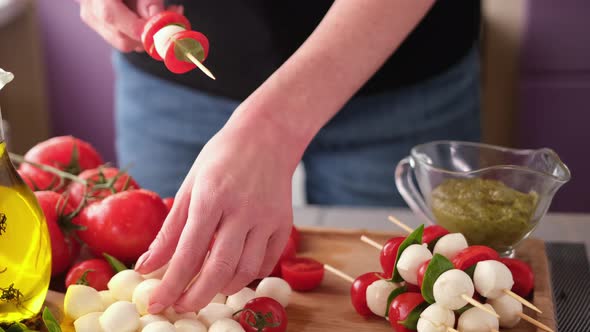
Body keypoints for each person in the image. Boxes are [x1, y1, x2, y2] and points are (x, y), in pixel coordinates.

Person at [78, 0, 481, 314]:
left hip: (394, 67)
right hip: (172, 79)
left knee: (421, 284)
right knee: (163, 277)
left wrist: (276, 124)